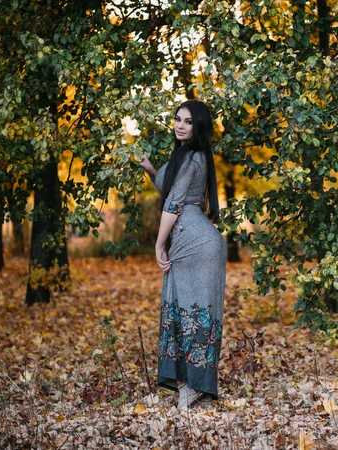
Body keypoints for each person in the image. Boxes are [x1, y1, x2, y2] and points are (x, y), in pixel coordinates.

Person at [140, 100, 226, 409]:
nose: (180, 125)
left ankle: (192, 386)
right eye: (177, 119)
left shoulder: (194, 157)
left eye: (188, 121)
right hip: (194, 243)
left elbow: (173, 204)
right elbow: (170, 192)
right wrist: (151, 170)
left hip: (196, 245)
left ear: (198, 126)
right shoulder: (185, 155)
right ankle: (189, 385)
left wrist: (158, 244)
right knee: (180, 309)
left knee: (192, 312)